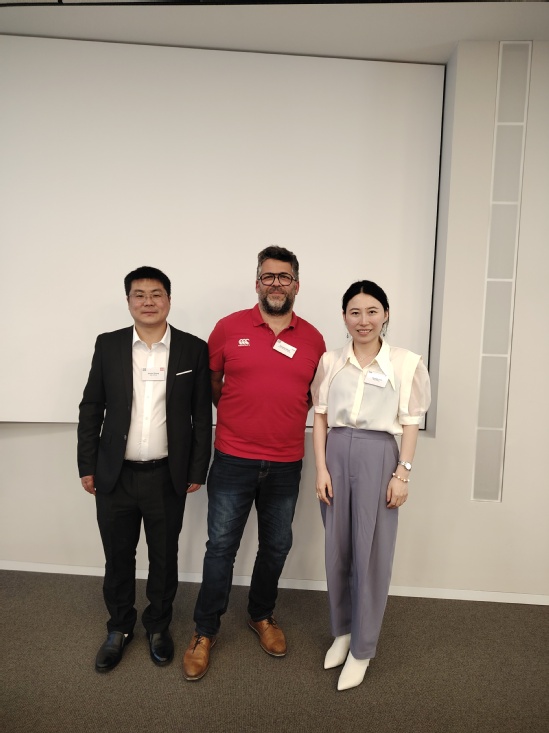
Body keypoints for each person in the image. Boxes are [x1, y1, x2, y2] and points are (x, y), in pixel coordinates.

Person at [183, 246, 326, 681]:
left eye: (284, 277)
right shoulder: (228, 328)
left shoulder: (314, 339)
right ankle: (205, 630)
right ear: (257, 283)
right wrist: (238, 413)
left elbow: (313, 398)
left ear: (296, 284)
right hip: (233, 459)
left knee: (277, 546)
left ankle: (261, 614)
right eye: (268, 276)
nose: (275, 284)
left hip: (286, 463)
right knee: (221, 548)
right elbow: (213, 382)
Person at [77, 266, 212, 673]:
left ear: (169, 300)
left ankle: (157, 626)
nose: (148, 302)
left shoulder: (192, 349)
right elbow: (91, 408)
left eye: (156, 294)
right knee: (118, 557)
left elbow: (201, 416)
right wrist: (87, 465)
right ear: (128, 301)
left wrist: (197, 469)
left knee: (164, 557)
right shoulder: (109, 345)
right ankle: (119, 627)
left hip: (167, 475)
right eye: (139, 295)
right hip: (114, 475)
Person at [311, 280, 430, 691]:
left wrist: (402, 474)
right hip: (336, 454)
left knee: (372, 554)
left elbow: (410, 423)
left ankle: (362, 648)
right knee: (337, 551)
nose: (363, 320)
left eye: (372, 311)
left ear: (386, 314)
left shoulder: (405, 363)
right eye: (355, 312)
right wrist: (321, 469)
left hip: (379, 457)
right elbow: (320, 417)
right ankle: (343, 631)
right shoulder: (331, 361)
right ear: (345, 317)